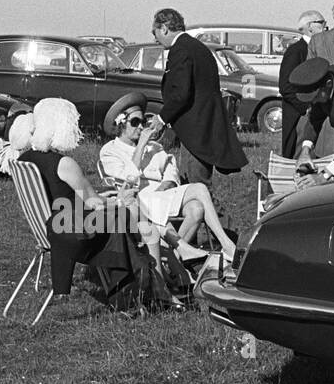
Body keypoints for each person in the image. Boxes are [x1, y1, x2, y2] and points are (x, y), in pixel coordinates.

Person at [3, 98, 162, 308]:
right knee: (147, 228)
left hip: (50, 229)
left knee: (131, 217)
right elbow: (94, 203)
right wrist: (119, 200)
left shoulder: (25, 159)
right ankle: (155, 291)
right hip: (77, 234)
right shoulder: (63, 164)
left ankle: (155, 286)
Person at [98, 92, 236, 265]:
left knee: (198, 198)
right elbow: (129, 179)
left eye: (143, 122)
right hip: (137, 199)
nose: (140, 127)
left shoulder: (155, 147)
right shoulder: (110, 151)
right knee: (196, 207)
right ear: (120, 125)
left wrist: (166, 184)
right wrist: (140, 146)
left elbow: (171, 168)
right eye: (134, 122)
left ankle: (209, 249)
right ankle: (178, 259)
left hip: (161, 193)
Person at [147, 8, 248, 187]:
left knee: (195, 187)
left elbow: (180, 93)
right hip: (204, 125)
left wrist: (161, 118)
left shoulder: (181, 50)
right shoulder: (196, 47)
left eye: (154, 32)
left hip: (195, 131)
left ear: (164, 28)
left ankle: (212, 216)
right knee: (196, 185)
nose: (155, 38)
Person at [278, 10, 325, 158]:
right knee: (299, 156)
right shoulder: (296, 51)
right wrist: (305, 108)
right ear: (310, 27)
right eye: (322, 23)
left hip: (316, 110)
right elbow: (285, 86)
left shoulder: (319, 48)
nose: (325, 27)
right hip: (300, 114)